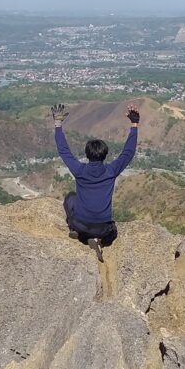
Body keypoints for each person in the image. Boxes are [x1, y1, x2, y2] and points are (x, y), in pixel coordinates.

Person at [52, 102, 140, 261]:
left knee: (70, 197)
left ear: (87, 154)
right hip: (104, 229)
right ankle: (99, 240)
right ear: (105, 154)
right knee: (112, 230)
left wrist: (58, 124)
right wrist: (134, 124)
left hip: (80, 224)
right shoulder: (111, 171)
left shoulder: (79, 170)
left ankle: (79, 232)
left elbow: (63, 150)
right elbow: (128, 152)